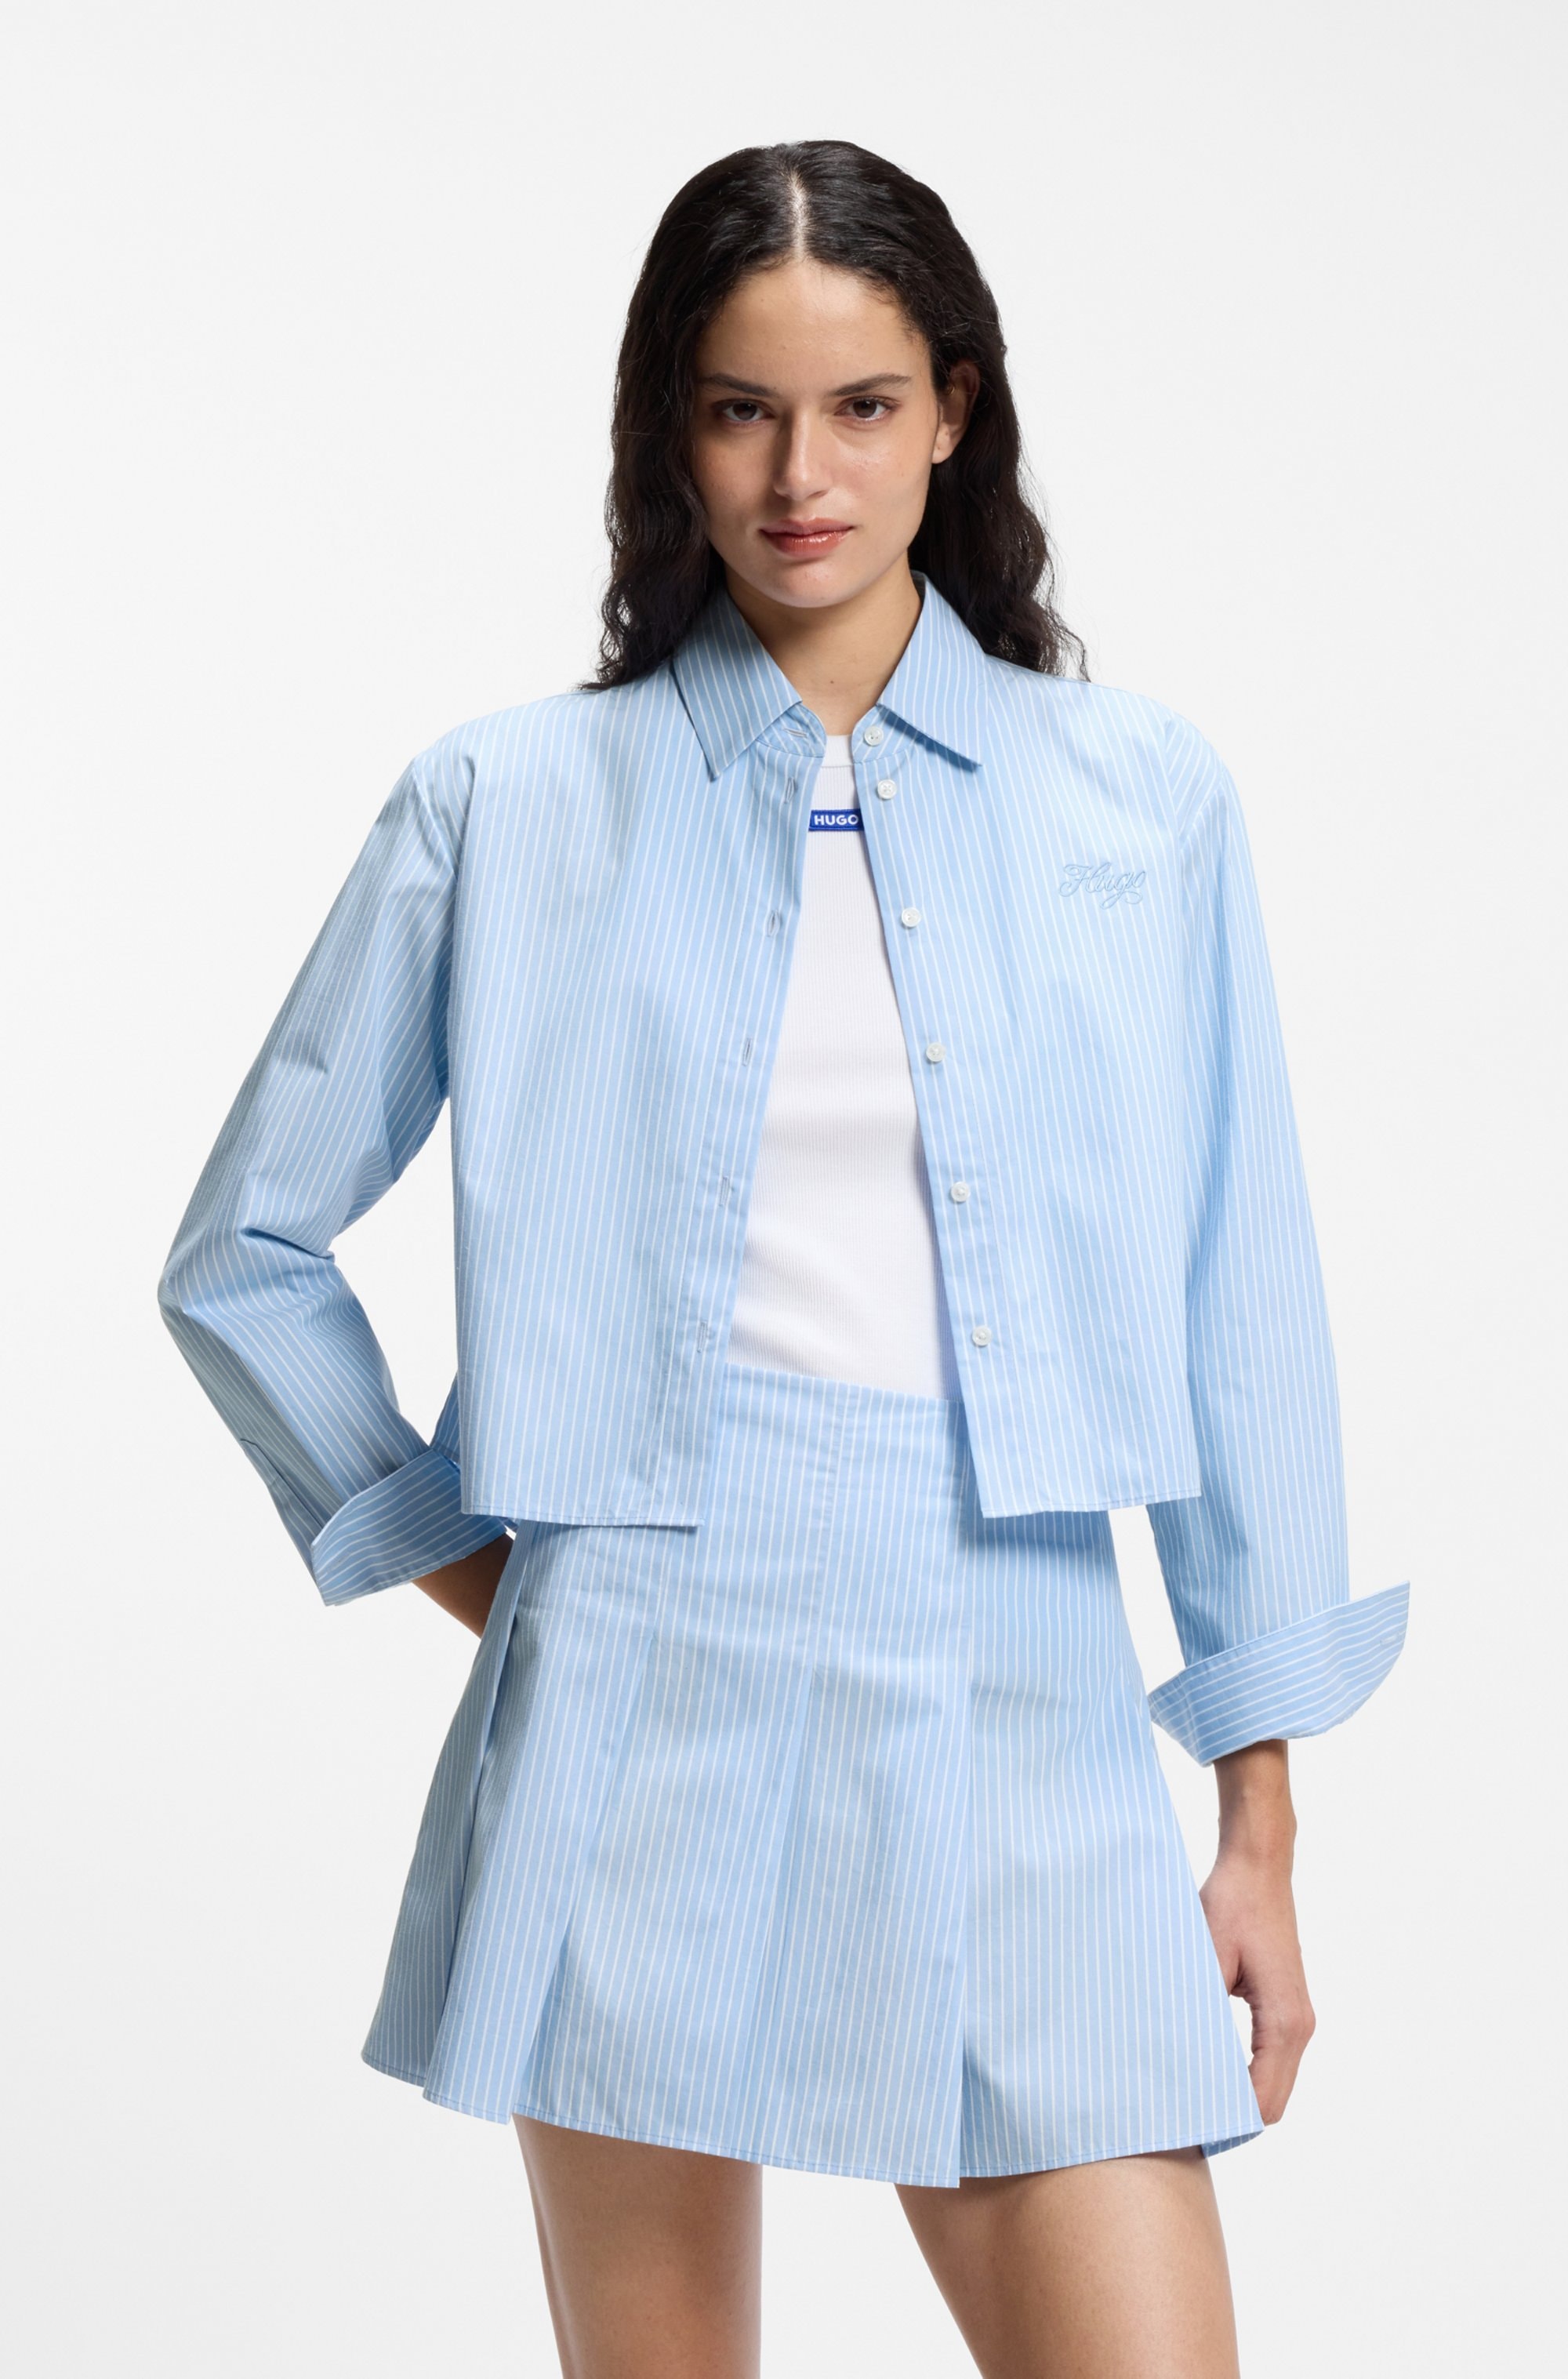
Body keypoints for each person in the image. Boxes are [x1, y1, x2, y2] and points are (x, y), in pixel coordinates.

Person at [158, 140, 1410, 2378]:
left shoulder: (1138, 800)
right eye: (741, 409)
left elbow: (1244, 1305)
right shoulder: (508, 803)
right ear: (673, 430)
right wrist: (490, 1568)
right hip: (640, 1693)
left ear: (953, 413)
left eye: (859, 406)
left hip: (1020, 1674)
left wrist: (1259, 1817)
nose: (799, 473)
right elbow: (243, 1246)